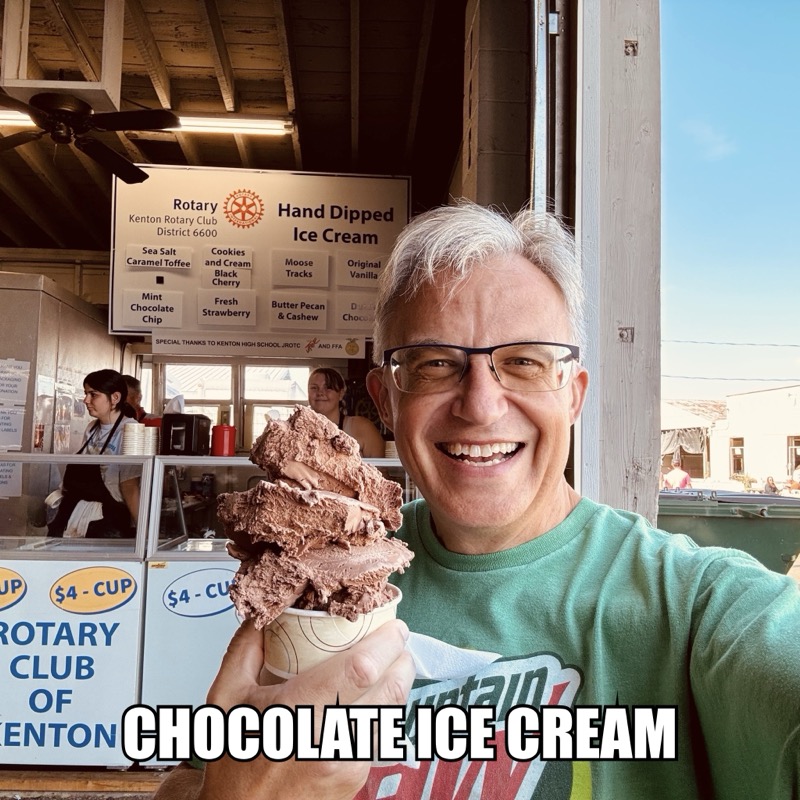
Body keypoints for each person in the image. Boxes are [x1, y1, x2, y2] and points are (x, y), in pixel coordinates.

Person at [153, 202, 800, 799]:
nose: (482, 405)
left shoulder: (699, 607)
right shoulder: (315, 574)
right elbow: (195, 777)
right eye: (435, 364)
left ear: (572, 395)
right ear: (386, 400)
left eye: (524, 362)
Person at [47, 369, 141, 538]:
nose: (86, 400)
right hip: (78, 511)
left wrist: (143, 530)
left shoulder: (130, 432)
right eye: (86, 394)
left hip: (110, 520)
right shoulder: (91, 428)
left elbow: (130, 486)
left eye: (93, 395)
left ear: (115, 398)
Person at [307, 367, 386, 457]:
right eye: (314, 388)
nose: (320, 393)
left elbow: (380, 470)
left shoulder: (363, 428)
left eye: (328, 388)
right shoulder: (295, 430)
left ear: (341, 394)